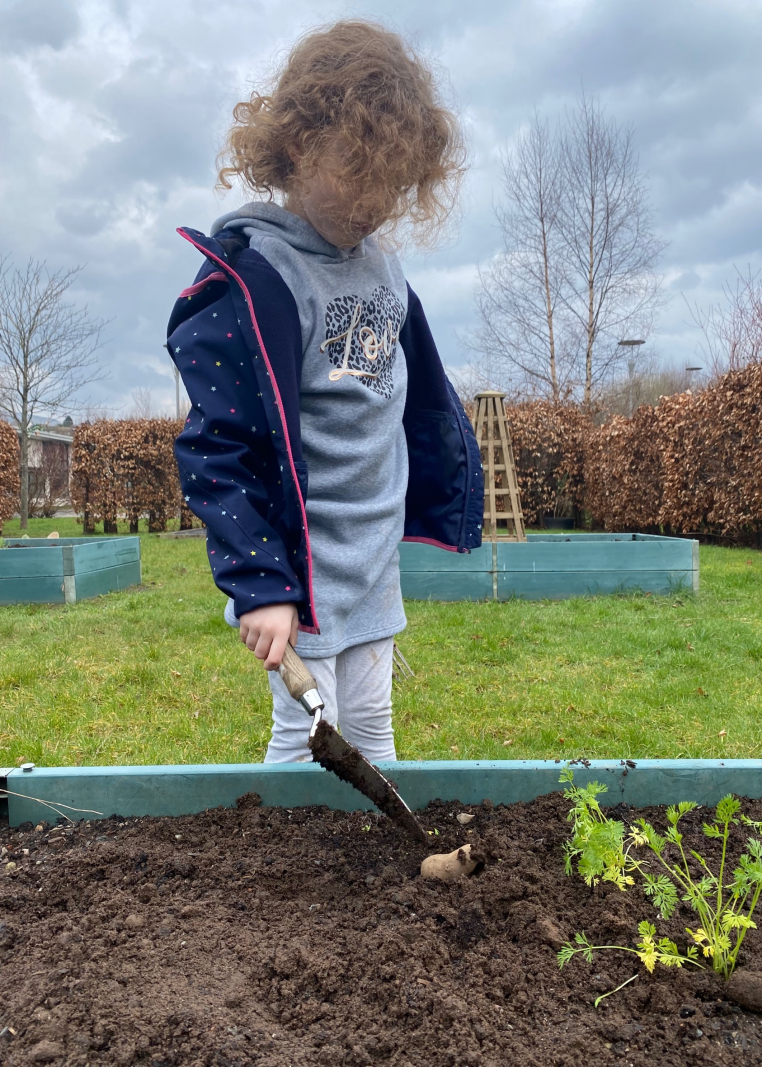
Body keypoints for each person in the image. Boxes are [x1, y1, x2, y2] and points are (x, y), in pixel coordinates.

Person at [166, 19, 483, 764]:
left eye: (393, 184)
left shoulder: (385, 271)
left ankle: (382, 875)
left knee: (372, 728)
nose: (374, 203)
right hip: (302, 572)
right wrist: (261, 582)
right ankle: (293, 878)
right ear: (300, 144)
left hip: (372, 566)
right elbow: (220, 449)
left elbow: (413, 400)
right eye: (358, 173)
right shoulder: (259, 280)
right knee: (312, 738)